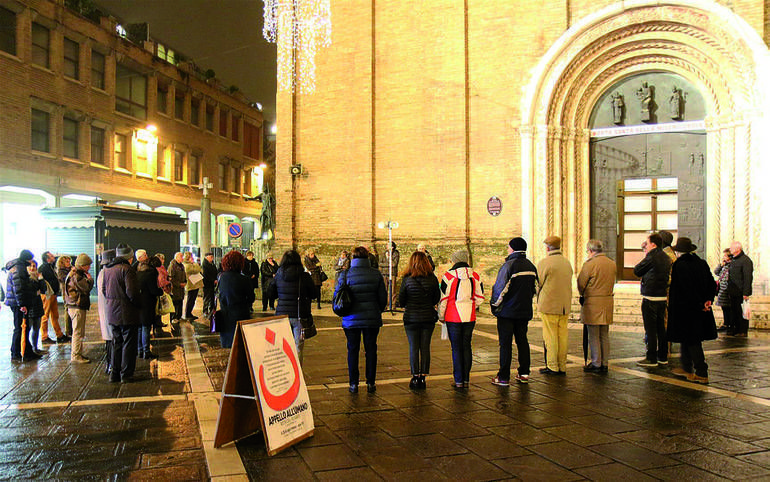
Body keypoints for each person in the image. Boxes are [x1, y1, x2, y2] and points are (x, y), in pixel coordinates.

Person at [334, 246, 387, 393]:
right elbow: (383, 298)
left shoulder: (345, 274)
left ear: (353, 258)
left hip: (351, 319)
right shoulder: (376, 274)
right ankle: (371, 383)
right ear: (367, 257)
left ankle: (353, 384)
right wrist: (376, 310)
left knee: (352, 350)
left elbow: (337, 296)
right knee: (371, 349)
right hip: (371, 319)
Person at [668, 237, 717, 384]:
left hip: (687, 310)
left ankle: (701, 372)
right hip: (701, 309)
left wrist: (699, 304)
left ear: (678, 252)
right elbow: (712, 284)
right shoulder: (701, 263)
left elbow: (686, 289)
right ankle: (686, 367)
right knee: (688, 339)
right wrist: (708, 300)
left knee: (692, 340)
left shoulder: (680, 265)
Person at [490, 237, 538, 385]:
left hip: (507, 312)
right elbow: (536, 288)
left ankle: (503, 377)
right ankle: (524, 373)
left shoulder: (509, 266)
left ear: (513, 248)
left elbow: (500, 289)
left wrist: (494, 306)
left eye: (508, 247)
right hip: (524, 311)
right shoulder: (531, 266)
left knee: (505, 344)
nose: (507, 249)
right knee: (522, 341)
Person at [438, 250, 484, 388]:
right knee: (467, 346)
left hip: (453, 316)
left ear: (455, 260)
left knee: (456, 348)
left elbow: (444, 299)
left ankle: (458, 380)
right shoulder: (475, 275)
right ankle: (466, 380)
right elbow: (480, 298)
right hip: (470, 316)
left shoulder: (448, 276)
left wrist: (441, 316)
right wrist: (470, 305)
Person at [399, 250, 441, 389]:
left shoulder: (407, 278)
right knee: (425, 347)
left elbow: (401, 300)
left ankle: (415, 376)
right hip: (428, 317)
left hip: (411, 318)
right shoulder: (432, 278)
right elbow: (436, 298)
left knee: (413, 347)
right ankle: (423, 377)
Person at [102, 244, 141, 383]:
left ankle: (114, 373)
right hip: (127, 313)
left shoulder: (107, 269)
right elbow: (132, 293)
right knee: (128, 344)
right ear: (129, 257)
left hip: (112, 313)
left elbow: (104, 290)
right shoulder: (127, 269)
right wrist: (139, 304)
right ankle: (126, 374)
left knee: (116, 343)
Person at [633, 232, 672, 367]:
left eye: (648, 243)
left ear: (653, 244)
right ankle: (662, 356)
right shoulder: (666, 257)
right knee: (661, 328)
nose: (646, 246)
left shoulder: (652, 256)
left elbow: (637, 270)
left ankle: (651, 358)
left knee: (650, 329)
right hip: (662, 296)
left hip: (650, 296)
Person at [577, 239, 616, 373]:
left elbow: (581, 283)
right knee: (604, 334)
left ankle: (596, 363)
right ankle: (604, 362)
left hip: (593, 302)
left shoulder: (590, 264)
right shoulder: (611, 263)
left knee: (593, 334)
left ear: (591, 250)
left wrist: (582, 293)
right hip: (607, 301)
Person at [268, 250, 314, 361]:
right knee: (298, 348)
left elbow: (271, 294)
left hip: (282, 315)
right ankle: (297, 370)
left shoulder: (278, 276)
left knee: (283, 346)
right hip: (299, 315)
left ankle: (284, 369)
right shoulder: (304, 276)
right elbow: (314, 294)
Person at [536, 236, 573, 375]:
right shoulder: (566, 262)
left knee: (550, 336)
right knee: (562, 336)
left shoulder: (545, 262)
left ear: (547, 248)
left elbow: (538, 283)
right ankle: (562, 365)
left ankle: (552, 366)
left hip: (549, 305)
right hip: (564, 305)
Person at [4, 250, 43, 361]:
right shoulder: (19, 268)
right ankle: (16, 353)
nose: (31, 262)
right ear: (26, 258)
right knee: (19, 328)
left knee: (23, 328)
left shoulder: (18, 266)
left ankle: (27, 351)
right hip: (17, 303)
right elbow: (18, 288)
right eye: (30, 259)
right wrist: (22, 304)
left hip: (17, 302)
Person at [217, 251, 255, 348]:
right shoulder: (244, 279)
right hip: (240, 315)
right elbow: (251, 298)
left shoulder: (221, 277)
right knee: (240, 345)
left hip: (225, 315)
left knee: (228, 344)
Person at [64, 254, 94, 363]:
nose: (89, 267)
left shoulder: (74, 273)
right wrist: (90, 280)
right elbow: (86, 288)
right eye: (88, 265)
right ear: (82, 265)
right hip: (77, 306)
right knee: (78, 332)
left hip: (73, 305)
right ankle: (76, 356)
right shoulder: (77, 276)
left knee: (78, 331)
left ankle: (78, 353)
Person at [137, 256, 164, 359]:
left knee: (140, 327)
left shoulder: (139, 272)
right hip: (147, 304)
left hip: (138, 303)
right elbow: (153, 290)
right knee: (146, 327)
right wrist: (161, 291)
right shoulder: (151, 273)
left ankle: (140, 351)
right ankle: (146, 351)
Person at [726, 241, 754, 337]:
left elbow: (748, 277)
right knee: (734, 311)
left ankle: (742, 330)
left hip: (740, 290)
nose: (730, 249)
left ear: (738, 249)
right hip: (733, 290)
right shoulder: (733, 260)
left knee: (741, 311)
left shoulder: (745, 260)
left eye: (732, 248)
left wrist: (746, 292)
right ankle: (735, 329)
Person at [39, 251, 66, 344]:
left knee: (55, 315)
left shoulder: (50, 267)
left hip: (52, 294)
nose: (53, 256)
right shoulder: (43, 268)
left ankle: (59, 335)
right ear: (47, 259)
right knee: (45, 315)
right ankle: (44, 337)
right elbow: (41, 281)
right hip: (47, 295)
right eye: (51, 256)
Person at [97, 249, 116, 374]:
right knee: (111, 340)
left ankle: (110, 364)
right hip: (109, 310)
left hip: (106, 310)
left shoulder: (102, 272)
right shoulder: (106, 273)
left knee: (110, 339)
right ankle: (111, 364)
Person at [25, 259, 47, 357]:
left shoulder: (37, 278)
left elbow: (43, 289)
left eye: (34, 266)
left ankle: (35, 348)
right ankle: (27, 349)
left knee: (37, 328)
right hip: (30, 307)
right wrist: (36, 291)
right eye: (30, 266)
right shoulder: (26, 277)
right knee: (28, 328)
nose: (32, 268)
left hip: (37, 306)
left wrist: (41, 278)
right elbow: (31, 290)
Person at [714, 248, 732, 333]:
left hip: (727, 290)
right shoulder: (724, 266)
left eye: (725, 256)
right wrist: (720, 265)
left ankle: (729, 324)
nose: (723, 257)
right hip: (722, 290)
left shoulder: (731, 266)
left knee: (728, 309)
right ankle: (726, 323)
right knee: (724, 308)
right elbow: (716, 272)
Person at [154, 252, 172, 336]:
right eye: (162, 259)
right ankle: (157, 326)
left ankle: (159, 323)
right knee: (158, 307)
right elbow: (161, 279)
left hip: (163, 289)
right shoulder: (158, 268)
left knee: (160, 307)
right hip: (161, 289)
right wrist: (168, 283)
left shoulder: (162, 267)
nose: (163, 260)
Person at [56, 255, 73, 336]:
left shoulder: (70, 269)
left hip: (71, 292)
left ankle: (71, 330)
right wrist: (71, 273)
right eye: (67, 262)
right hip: (66, 292)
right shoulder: (61, 271)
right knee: (67, 310)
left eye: (69, 261)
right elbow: (64, 279)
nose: (69, 263)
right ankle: (68, 331)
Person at [182, 252, 203, 320]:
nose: (192, 258)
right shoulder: (185, 265)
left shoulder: (193, 264)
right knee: (190, 299)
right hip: (190, 284)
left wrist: (194, 264)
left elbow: (199, 269)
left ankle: (190, 313)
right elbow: (194, 270)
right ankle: (187, 314)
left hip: (195, 283)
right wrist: (195, 265)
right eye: (191, 257)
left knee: (193, 299)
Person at [380, 242, 400, 309]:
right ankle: (384, 304)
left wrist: (389, 258)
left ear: (392, 247)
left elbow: (394, 264)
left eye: (388, 245)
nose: (386, 246)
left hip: (392, 273)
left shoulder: (396, 254)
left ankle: (393, 305)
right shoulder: (383, 253)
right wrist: (388, 265)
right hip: (384, 273)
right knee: (384, 289)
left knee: (393, 290)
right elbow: (380, 263)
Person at [168, 252, 186, 323]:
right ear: (177, 257)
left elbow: (184, 275)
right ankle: (174, 317)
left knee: (180, 302)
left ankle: (179, 316)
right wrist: (179, 284)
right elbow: (171, 278)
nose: (182, 258)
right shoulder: (172, 265)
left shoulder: (181, 265)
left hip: (181, 289)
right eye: (181, 256)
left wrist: (185, 282)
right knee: (175, 303)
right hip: (175, 289)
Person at [201, 252, 218, 319]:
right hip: (207, 284)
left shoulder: (212, 264)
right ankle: (205, 311)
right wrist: (213, 280)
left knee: (212, 298)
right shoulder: (205, 265)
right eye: (211, 257)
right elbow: (206, 275)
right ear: (207, 257)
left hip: (212, 284)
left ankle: (211, 310)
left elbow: (215, 271)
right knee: (207, 298)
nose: (212, 258)